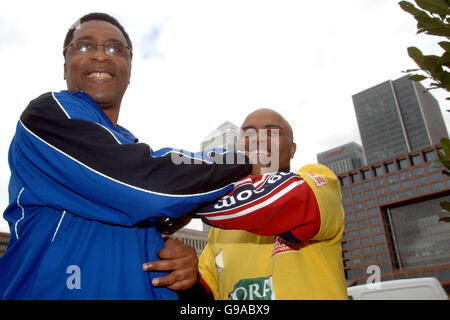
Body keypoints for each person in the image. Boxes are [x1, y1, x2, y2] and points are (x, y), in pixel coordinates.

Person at [0, 12, 251, 299]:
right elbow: (143, 182)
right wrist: (243, 161)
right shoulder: (47, 116)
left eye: (115, 49)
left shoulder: (132, 155)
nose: (100, 56)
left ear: (129, 70)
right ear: (65, 66)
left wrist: (186, 275)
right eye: (84, 46)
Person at [195, 108, 348, 300]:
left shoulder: (317, 181)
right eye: (248, 133)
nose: (257, 138)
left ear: (292, 149)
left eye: (271, 132)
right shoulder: (219, 230)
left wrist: (190, 201)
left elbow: (290, 201)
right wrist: (188, 279)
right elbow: (205, 295)